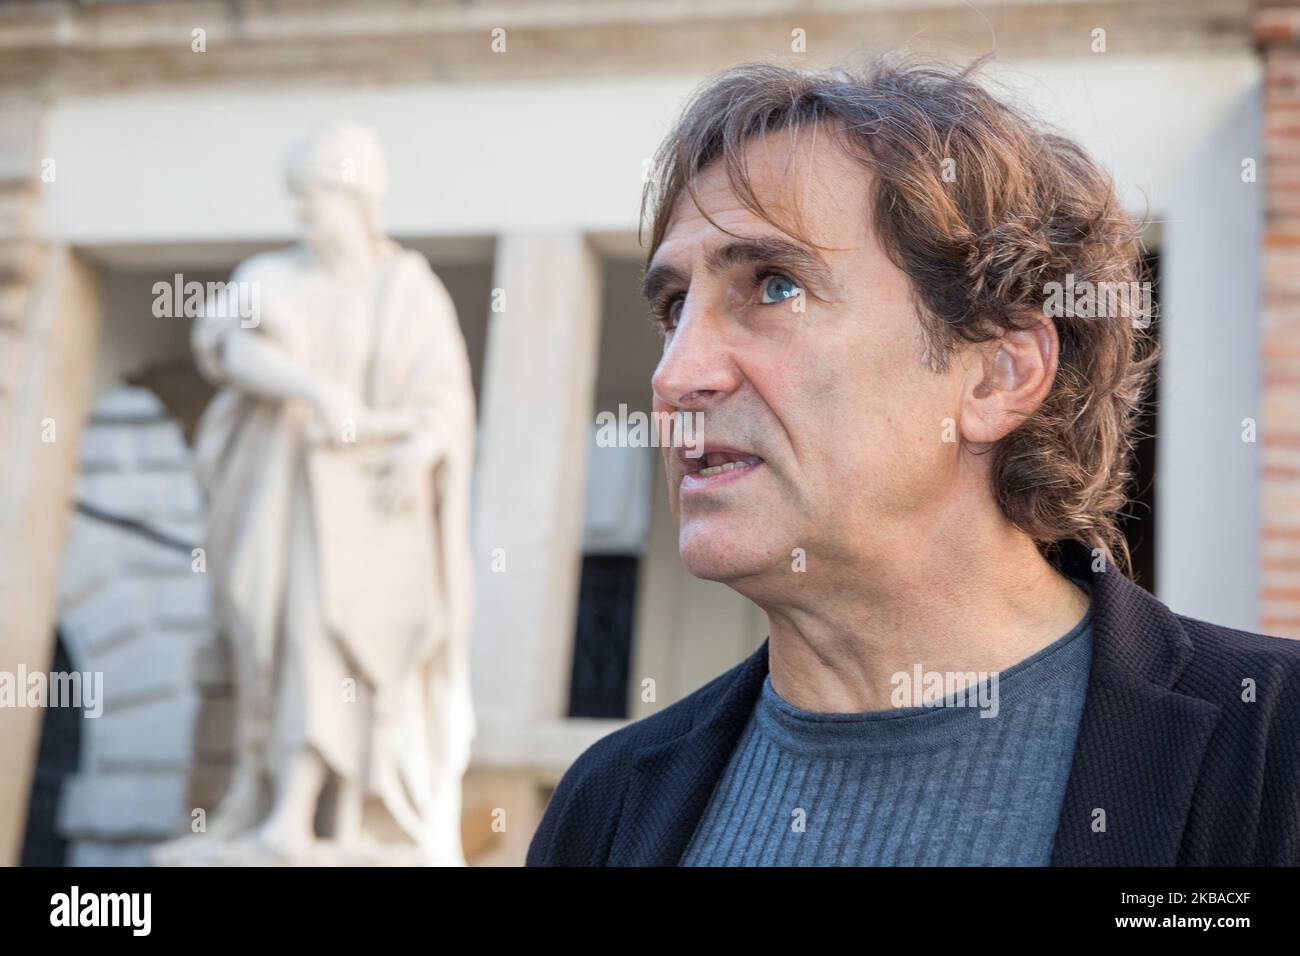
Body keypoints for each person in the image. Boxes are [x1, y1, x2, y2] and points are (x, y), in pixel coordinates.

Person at [526, 57, 1300, 866]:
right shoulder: (607, 810)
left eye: (775, 286)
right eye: (674, 307)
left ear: (1000, 374)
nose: (676, 375)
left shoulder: (1271, 756)